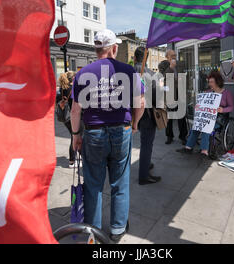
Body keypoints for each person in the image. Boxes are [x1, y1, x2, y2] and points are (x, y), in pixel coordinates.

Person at [70, 29, 145, 243]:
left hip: (93, 133)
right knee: (120, 181)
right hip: (121, 130)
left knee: (93, 184)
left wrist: (76, 135)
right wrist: (135, 123)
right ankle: (118, 227)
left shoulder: (83, 73)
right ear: (113, 48)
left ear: (96, 49)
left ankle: (93, 230)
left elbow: (76, 110)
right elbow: (140, 102)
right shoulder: (128, 70)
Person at [177, 71, 234, 158]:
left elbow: (231, 107)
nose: (209, 84)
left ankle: (204, 151)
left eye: (211, 82)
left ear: (217, 82)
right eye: (209, 82)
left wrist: (222, 109)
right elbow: (202, 104)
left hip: (219, 118)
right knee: (196, 127)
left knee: (206, 128)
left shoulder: (226, 93)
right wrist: (198, 107)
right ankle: (188, 147)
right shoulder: (208, 92)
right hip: (207, 116)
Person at [133, 47, 162, 185]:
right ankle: (143, 176)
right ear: (147, 58)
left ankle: (146, 163)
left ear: (134, 57)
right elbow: (157, 95)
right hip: (147, 113)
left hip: (130, 113)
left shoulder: (126, 72)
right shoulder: (151, 73)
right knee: (146, 144)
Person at [163, 50, 188, 145]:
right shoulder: (163, 66)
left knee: (181, 116)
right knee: (169, 117)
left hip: (180, 94)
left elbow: (185, 78)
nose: (174, 57)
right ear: (167, 57)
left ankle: (183, 137)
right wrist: (170, 68)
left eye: (175, 55)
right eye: (172, 55)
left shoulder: (180, 65)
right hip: (170, 95)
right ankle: (169, 136)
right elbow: (163, 79)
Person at [57, 71, 78, 167]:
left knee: (74, 136)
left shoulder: (62, 89)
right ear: (72, 78)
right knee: (74, 137)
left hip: (64, 116)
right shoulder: (72, 89)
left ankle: (74, 158)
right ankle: (72, 161)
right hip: (71, 116)